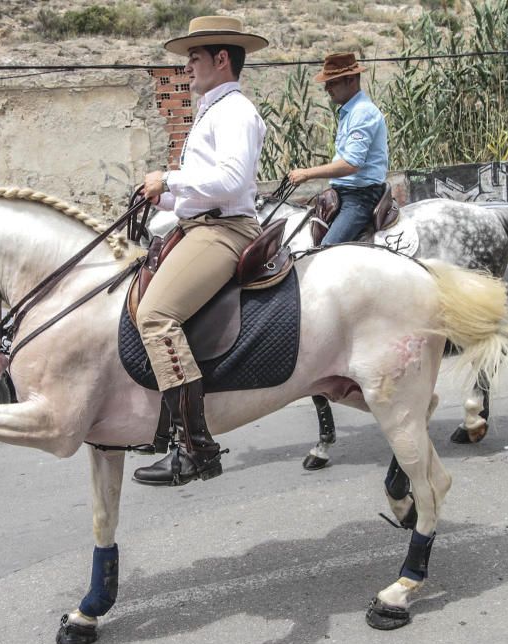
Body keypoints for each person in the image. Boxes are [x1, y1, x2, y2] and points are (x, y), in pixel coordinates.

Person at [132, 16, 268, 487]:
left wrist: (169, 179)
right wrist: (166, 196)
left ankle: (195, 449)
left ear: (221, 59)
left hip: (225, 231)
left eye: (194, 56)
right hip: (200, 224)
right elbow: (203, 191)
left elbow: (231, 182)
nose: (187, 66)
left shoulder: (235, 112)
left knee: (155, 316)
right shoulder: (213, 110)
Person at [288, 52, 389, 245]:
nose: (327, 88)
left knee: (326, 251)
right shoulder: (351, 111)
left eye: (332, 82)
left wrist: (307, 174)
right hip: (346, 194)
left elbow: (351, 164)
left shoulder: (362, 112)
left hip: (360, 198)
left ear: (351, 80)